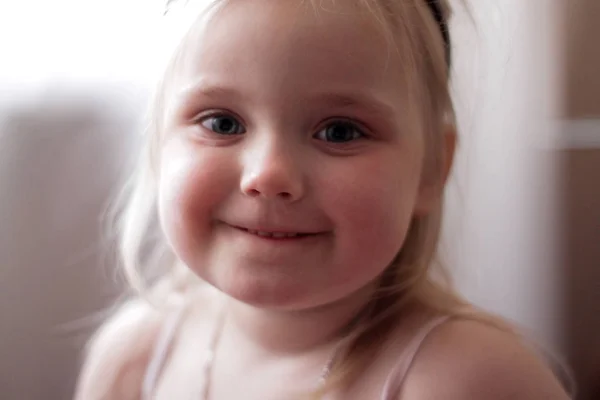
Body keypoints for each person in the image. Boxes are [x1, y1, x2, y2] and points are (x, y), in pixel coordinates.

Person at [75, 0, 573, 399]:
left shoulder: (468, 378)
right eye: (222, 123)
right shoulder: (132, 360)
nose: (268, 175)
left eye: (339, 131)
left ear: (430, 171)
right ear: (159, 146)